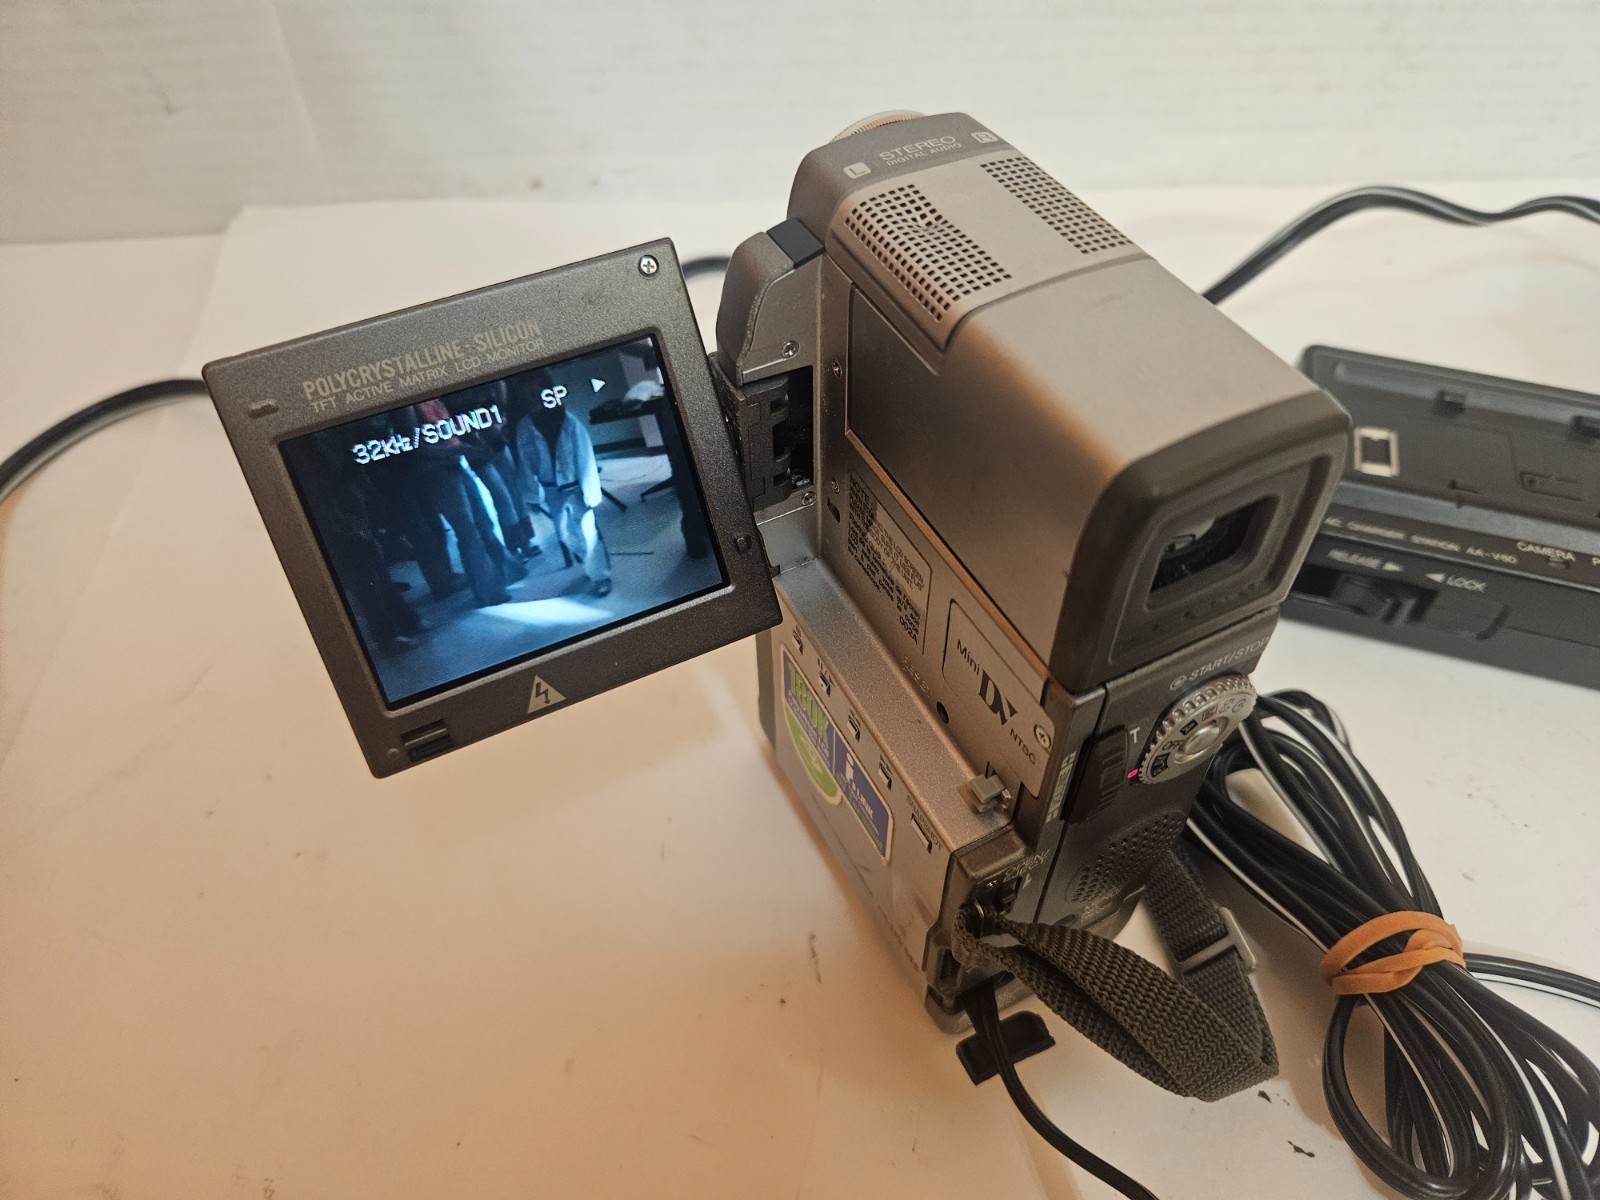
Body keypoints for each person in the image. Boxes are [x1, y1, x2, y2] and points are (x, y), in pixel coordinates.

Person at [514, 374, 612, 596]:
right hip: (551, 489)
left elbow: (585, 458)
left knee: (586, 530)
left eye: (535, 394)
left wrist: (589, 492)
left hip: (575, 486)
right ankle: (589, 560)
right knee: (564, 533)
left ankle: (600, 575)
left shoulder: (568, 421)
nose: (531, 399)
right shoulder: (525, 427)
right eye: (526, 396)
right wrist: (531, 495)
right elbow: (525, 462)